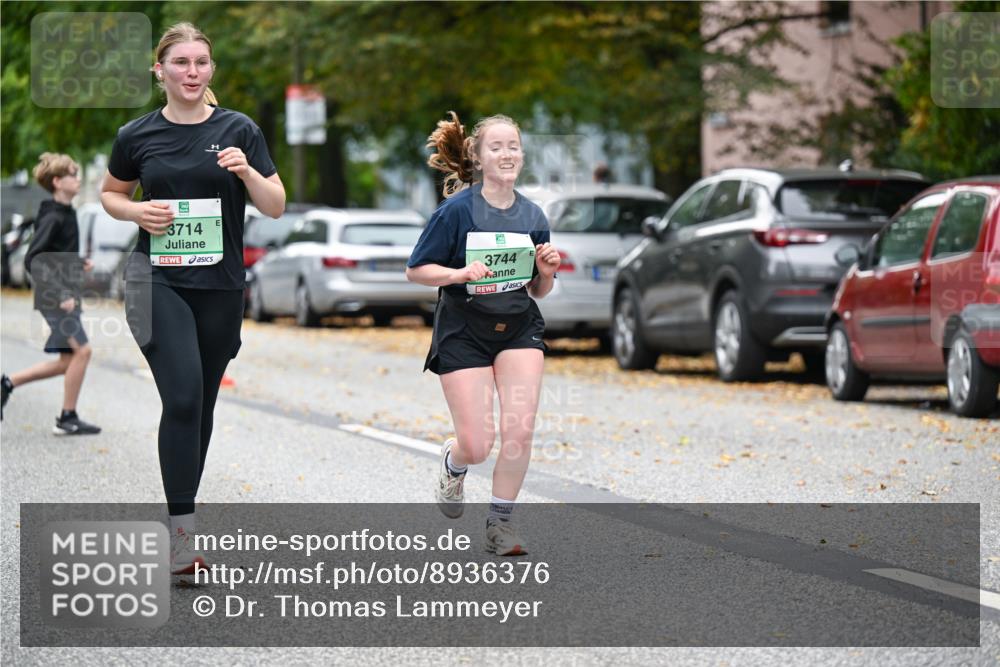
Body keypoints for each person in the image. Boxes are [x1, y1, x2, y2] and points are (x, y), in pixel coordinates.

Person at [99, 23, 285, 575]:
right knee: (181, 397)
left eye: (201, 62)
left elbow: (275, 205)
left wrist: (247, 169)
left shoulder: (239, 130)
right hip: (154, 278)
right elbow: (111, 193)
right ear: (160, 70)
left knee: (200, 405)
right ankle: (183, 536)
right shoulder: (136, 135)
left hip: (220, 286)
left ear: (211, 70)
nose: (192, 72)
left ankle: (180, 520)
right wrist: (137, 212)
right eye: (180, 62)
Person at [406, 112, 560, 556]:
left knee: (520, 429)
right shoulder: (455, 212)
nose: (507, 154)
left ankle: (501, 525)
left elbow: (537, 289)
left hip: (518, 328)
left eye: (513, 146)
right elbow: (417, 271)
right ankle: (455, 465)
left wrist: (546, 271)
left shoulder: (533, 214)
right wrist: (459, 273)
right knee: (478, 444)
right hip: (464, 330)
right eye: (496, 147)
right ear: (477, 156)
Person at [1, 153, 100, 435]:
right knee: (84, 351)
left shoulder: (67, 212)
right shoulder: (54, 216)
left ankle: (7, 383)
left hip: (65, 296)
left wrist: (77, 262)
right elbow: (34, 257)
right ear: (57, 182)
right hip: (57, 299)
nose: (78, 179)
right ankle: (67, 417)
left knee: (68, 361)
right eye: (73, 174)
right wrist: (59, 294)